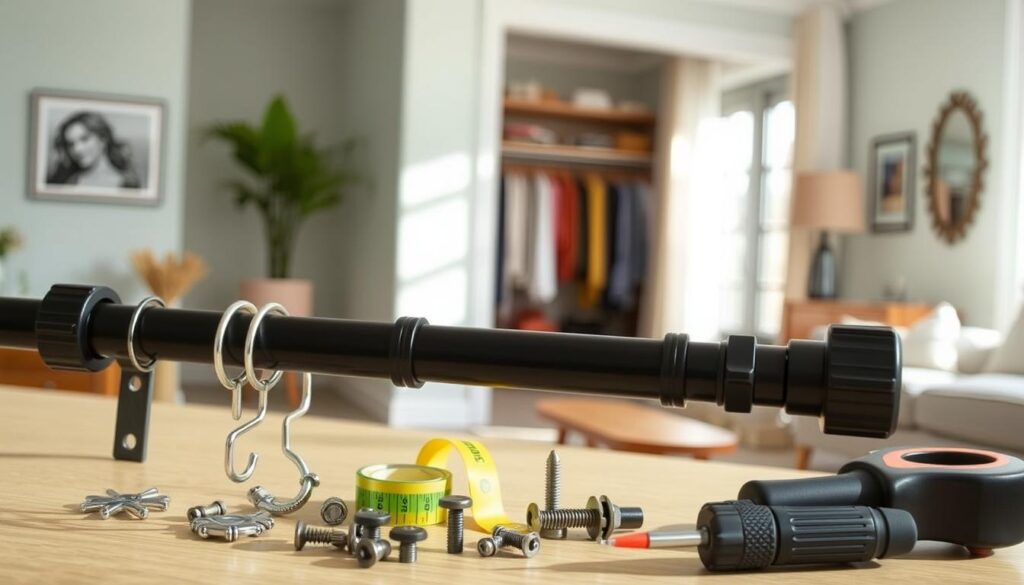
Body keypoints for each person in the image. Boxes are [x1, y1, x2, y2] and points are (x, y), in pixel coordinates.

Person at [47, 111, 140, 188]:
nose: (77, 149)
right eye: (71, 144)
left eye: (84, 139)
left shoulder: (126, 184)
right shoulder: (67, 182)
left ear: (103, 139)